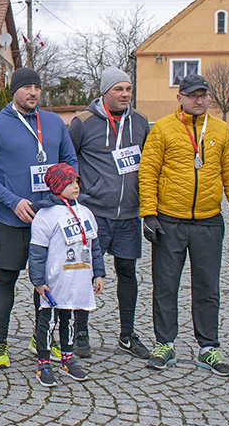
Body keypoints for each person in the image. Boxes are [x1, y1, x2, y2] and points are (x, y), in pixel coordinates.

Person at [139, 73, 229, 376]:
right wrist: (148, 214)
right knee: (165, 286)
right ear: (181, 98)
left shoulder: (222, 130)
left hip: (208, 222)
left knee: (207, 286)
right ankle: (165, 343)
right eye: (193, 95)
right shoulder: (162, 129)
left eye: (203, 95)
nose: (199, 100)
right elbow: (148, 172)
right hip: (169, 221)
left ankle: (209, 347)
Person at [0, 67, 78, 368]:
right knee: (6, 278)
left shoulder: (54, 122)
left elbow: (70, 161)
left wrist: (63, 197)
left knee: (46, 283)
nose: (33, 92)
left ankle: (40, 338)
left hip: (49, 218)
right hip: (12, 217)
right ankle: (0, 343)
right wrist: (11, 199)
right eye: (26, 87)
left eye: (37, 87)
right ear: (14, 90)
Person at [67, 67, 150, 359]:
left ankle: (127, 334)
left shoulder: (139, 122)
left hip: (129, 214)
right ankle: (80, 331)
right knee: (85, 272)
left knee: (128, 272)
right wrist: (82, 194)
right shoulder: (84, 122)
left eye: (128, 89)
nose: (125, 94)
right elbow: (67, 159)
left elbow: (150, 163)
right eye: (119, 89)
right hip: (95, 213)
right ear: (105, 92)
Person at [28, 163, 105, 387]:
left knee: (69, 321)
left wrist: (98, 274)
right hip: (55, 282)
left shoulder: (86, 212)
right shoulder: (45, 215)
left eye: (76, 182)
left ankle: (67, 359)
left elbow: (94, 247)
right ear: (57, 185)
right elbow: (37, 252)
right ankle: (43, 362)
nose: (75, 187)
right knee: (48, 322)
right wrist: (38, 281)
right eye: (69, 183)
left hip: (78, 281)